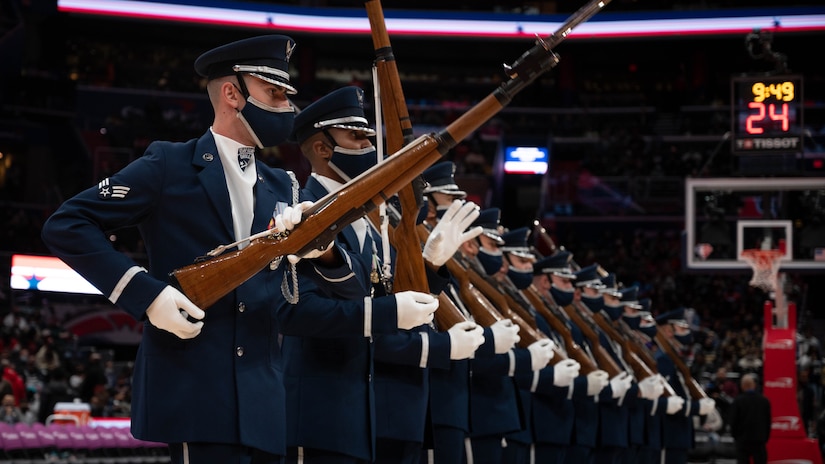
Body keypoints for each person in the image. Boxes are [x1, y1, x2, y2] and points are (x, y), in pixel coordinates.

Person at [39, 35, 369, 464]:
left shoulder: (284, 185)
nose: (287, 107)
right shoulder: (168, 166)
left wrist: (320, 251)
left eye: (287, 96)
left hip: (265, 403)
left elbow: (340, 291)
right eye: (273, 92)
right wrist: (148, 294)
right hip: (195, 390)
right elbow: (67, 224)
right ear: (232, 93)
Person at [289, 91, 483, 464]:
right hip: (326, 411)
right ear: (322, 148)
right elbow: (310, 313)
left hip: (374, 411)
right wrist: (436, 346)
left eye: (368, 138)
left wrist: (430, 267)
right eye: (356, 137)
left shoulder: (373, 219)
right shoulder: (302, 212)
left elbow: (392, 296)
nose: (368, 147)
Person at [728, 373, 771, 464]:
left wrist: (736, 436)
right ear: (754, 385)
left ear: (742, 386)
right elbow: (768, 422)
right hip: (759, 439)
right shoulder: (764, 400)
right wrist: (765, 437)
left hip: (742, 439)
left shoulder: (738, 401)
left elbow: (733, 421)